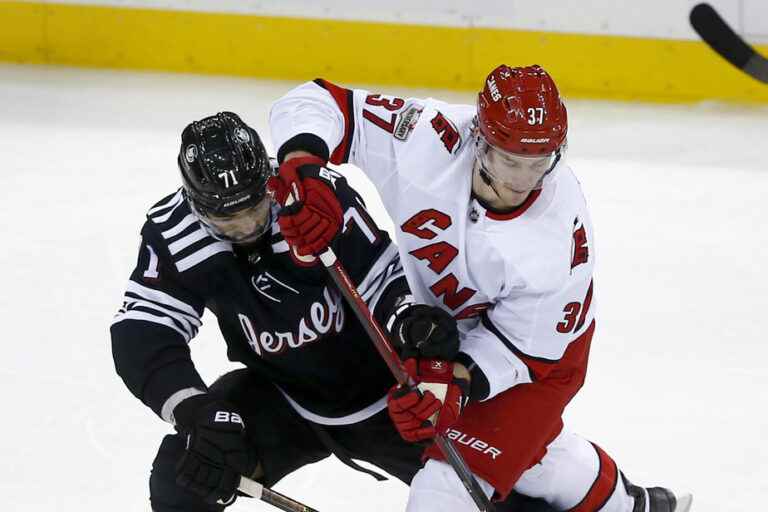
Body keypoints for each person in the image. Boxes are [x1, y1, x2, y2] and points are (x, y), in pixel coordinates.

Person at [268, 65, 693, 512]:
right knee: (531, 453)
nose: (520, 181)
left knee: (446, 486)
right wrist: (305, 168)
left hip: (539, 363)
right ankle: (635, 507)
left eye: (537, 163)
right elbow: (318, 103)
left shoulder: (556, 238)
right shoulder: (427, 138)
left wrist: (454, 383)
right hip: (441, 330)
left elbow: (524, 349)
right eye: (508, 160)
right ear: (479, 139)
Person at [110, 111, 550, 512]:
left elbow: (382, 279)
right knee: (185, 475)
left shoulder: (311, 198)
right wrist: (193, 409)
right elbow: (143, 329)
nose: (247, 228)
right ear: (194, 203)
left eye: (255, 208)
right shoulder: (173, 234)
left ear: (267, 178)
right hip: (284, 400)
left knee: (511, 497)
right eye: (228, 221)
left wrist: (409, 323)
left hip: (391, 401)